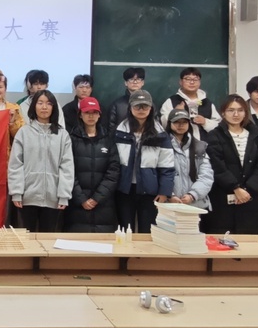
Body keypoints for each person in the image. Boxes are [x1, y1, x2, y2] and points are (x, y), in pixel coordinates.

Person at [8, 90, 74, 232]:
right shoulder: (24, 132)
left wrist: (64, 195)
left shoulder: (62, 135)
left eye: (49, 103)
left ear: (54, 107)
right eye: (40, 103)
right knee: (27, 238)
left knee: (48, 240)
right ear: (34, 106)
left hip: (53, 198)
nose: (44, 107)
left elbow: (67, 167)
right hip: (27, 197)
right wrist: (17, 192)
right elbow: (15, 165)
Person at [204, 94, 258, 235]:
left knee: (249, 241)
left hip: (249, 198)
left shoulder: (256, 135)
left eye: (240, 110)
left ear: (246, 113)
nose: (236, 114)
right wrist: (235, 187)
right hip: (222, 198)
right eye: (231, 110)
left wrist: (247, 190)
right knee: (222, 241)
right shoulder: (214, 135)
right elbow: (216, 165)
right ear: (223, 113)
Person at [114, 90, 175, 233]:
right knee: (124, 231)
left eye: (145, 106)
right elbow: (113, 163)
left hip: (150, 191)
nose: (141, 110)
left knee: (148, 232)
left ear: (151, 108)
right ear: (130, 108)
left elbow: (167, 166)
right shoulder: (119, 132)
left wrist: (164, 192)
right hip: (124, 190)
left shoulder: (160, 134)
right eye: (137, 106)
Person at [65, 97, 120, 233]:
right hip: (77, 205)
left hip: (104, 205)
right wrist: (81, 198)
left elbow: (113, 171)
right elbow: (67, 171)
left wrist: (97, 198)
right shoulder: (71, 139)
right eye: (87, 112)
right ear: (80, 114)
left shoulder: (108, 139)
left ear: (99, 115)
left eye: (94, 112)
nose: (91, 116)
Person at [164, 109, 214, 218]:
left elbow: (206, 176)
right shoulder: (161, 145)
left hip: (194, 204)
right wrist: (169, 195)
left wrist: (192, 195)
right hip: (167, 205)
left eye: (184, 122)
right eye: (176, 122)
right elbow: (157, 174)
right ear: (169, 123)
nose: (180, 125)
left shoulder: (199, 147)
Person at [159, 67, 221, 141]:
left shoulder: (207, 103)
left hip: (205, 144)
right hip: (178, 143)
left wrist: (205, 122)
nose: (192, 82)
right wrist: (175, 112)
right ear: (181, 82)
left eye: (195, 79)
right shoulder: (172, 101)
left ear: (199, 82)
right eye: (188, 79)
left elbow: (219, 126)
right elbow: (162, 124)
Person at [105, 67, 145, 134]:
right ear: (126, 83)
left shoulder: (150, 104)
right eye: (131, 79)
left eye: (138, 79)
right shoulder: (117, 105)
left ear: (142, 83)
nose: (135, 82)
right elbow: (111, 129)